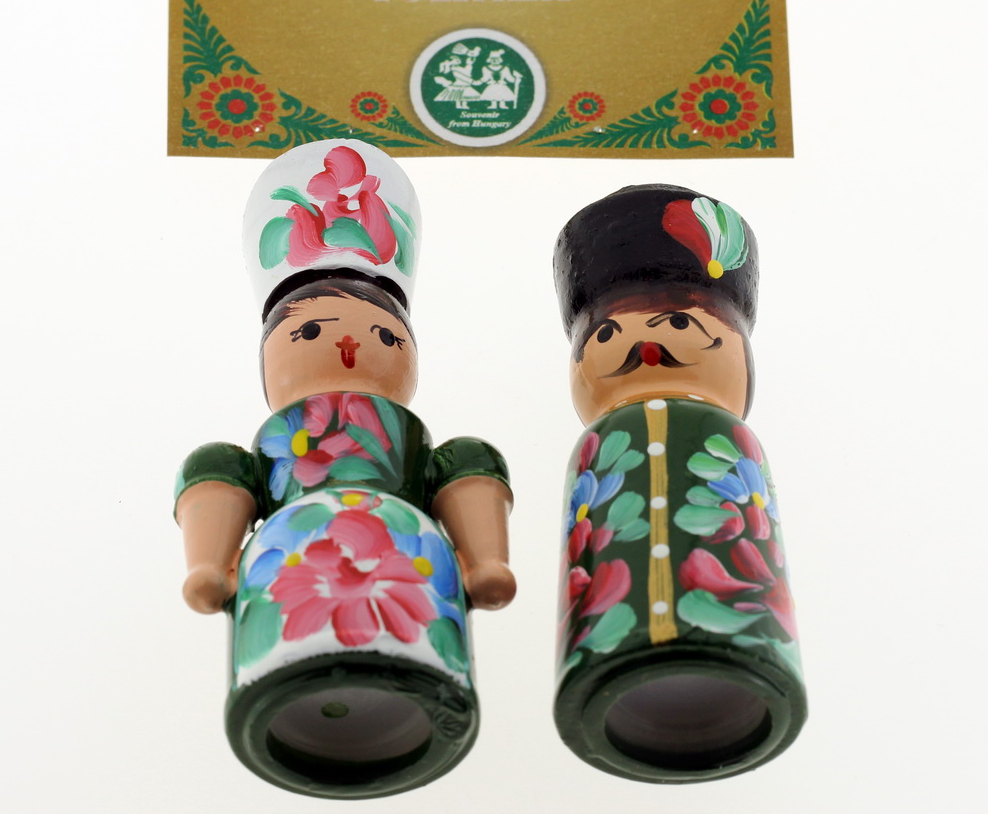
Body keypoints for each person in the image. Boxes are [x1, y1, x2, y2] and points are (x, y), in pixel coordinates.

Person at [175, 139, 514, 799]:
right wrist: (209, 565)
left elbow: (467, 467)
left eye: (388, 336)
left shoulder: (418, 455)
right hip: (293, 560)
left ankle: (413, 665)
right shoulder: (269, 455)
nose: (354, 341)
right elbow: (216, 472)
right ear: (268, 359)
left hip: (408, 565)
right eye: (308, 331)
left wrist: (483, 561)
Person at [552, 184, 805, 783]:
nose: (645, 344)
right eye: (606, 334)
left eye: (681, 322)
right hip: (603, 642)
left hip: (743, 631)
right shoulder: (594, 448)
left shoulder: (733, 436)